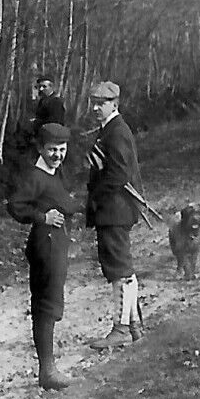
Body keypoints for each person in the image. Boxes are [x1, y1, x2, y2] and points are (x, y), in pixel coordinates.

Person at [5, 122, 81, 391]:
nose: (58, 154)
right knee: (46, 304)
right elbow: (15, 205)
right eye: (52, 150)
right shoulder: (35, 176)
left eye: (62, 149)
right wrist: (41, 217)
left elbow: (65, 201)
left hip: (57, 244)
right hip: (45, 245)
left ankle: (48, 367)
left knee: (52, 300)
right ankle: (47, 370)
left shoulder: (55, 173)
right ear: (40, 148)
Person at [82, 80, 145, 349]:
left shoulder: (116, 132)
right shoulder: (107, 130)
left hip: (115, 209)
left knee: (119, 269)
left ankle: (120, 330)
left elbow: (118, 174)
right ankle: (134, 326)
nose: (96, 107)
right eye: (93, 102)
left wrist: (96, 198)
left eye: (102, 103)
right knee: (121, 268)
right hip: (113, 209)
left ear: (115, 104)